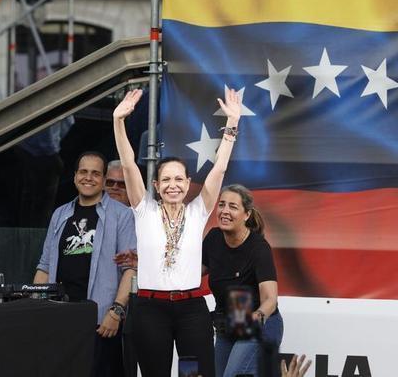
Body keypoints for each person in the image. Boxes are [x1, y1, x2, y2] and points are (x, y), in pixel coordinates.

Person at [113, 87, 241, 377]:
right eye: (166, 179)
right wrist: (118, 122)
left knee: (193, 375)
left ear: (187, 183)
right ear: (156, 186)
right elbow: (128, 165)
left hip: (191, 311)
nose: (173, 184)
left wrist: (232, 124)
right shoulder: (143, 209)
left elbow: (219, 169)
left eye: (179, 179)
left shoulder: (198, 210)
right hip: (150, 309)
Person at [34, 151, 137, 377]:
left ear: (102, 180)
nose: (88, 178)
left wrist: (117, 311)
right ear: (74, 177)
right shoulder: (60, 214)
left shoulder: (122, 215)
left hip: (100, 319)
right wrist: (38, 306)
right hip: (60, 314)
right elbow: (44, 267)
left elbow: (130, 270)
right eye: (83, 172)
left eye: (95, 173)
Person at [203, 184, 283, 377]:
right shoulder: (213, 237)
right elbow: (189, 273)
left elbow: (270, 299)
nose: (225, 211)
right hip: (227, 326)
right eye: (221, 205)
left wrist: (257, 317)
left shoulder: (259, 248)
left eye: (233, 206)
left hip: (259, 326)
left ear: (246, 215)